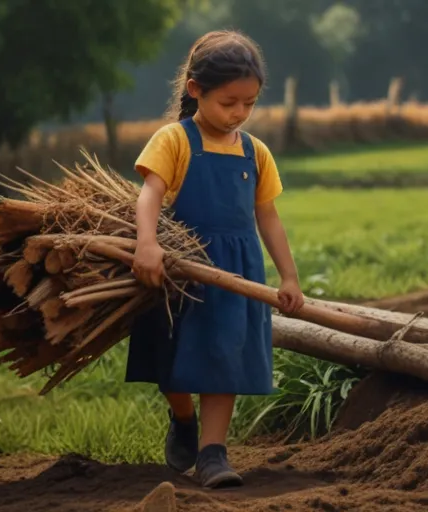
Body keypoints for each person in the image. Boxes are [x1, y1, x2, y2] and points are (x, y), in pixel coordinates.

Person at [125, 29, 304, 489]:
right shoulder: (174, 140)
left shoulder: (255, 152)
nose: (239, 113)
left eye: (249, 103)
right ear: (195, 90)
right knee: (172, 360)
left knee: (223, 358)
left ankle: (212, 454)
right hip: (180, 271)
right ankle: (182, 418)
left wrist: (288, 276)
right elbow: (149, 196)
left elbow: (268, 217)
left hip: (234, 274)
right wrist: (147, 244)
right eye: (229, 102)